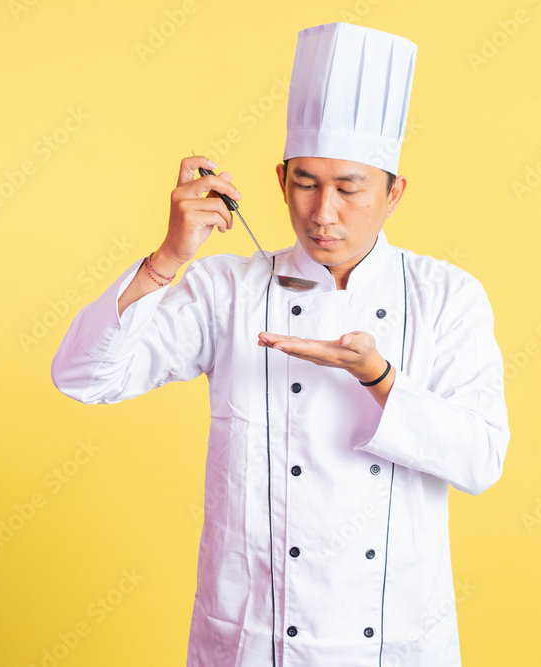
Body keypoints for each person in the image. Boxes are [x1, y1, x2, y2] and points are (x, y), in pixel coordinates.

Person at [51, 22, 510, 667]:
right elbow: (84, 378)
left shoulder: (446, 296)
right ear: (279, 178)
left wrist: (380, 379)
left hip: (392, 642)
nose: (323, 212)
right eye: (305, 184)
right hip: (253, 638)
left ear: (394, 192)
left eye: (349, 188)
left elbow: (481, 459)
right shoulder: (225, 289)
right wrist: (168, 257)